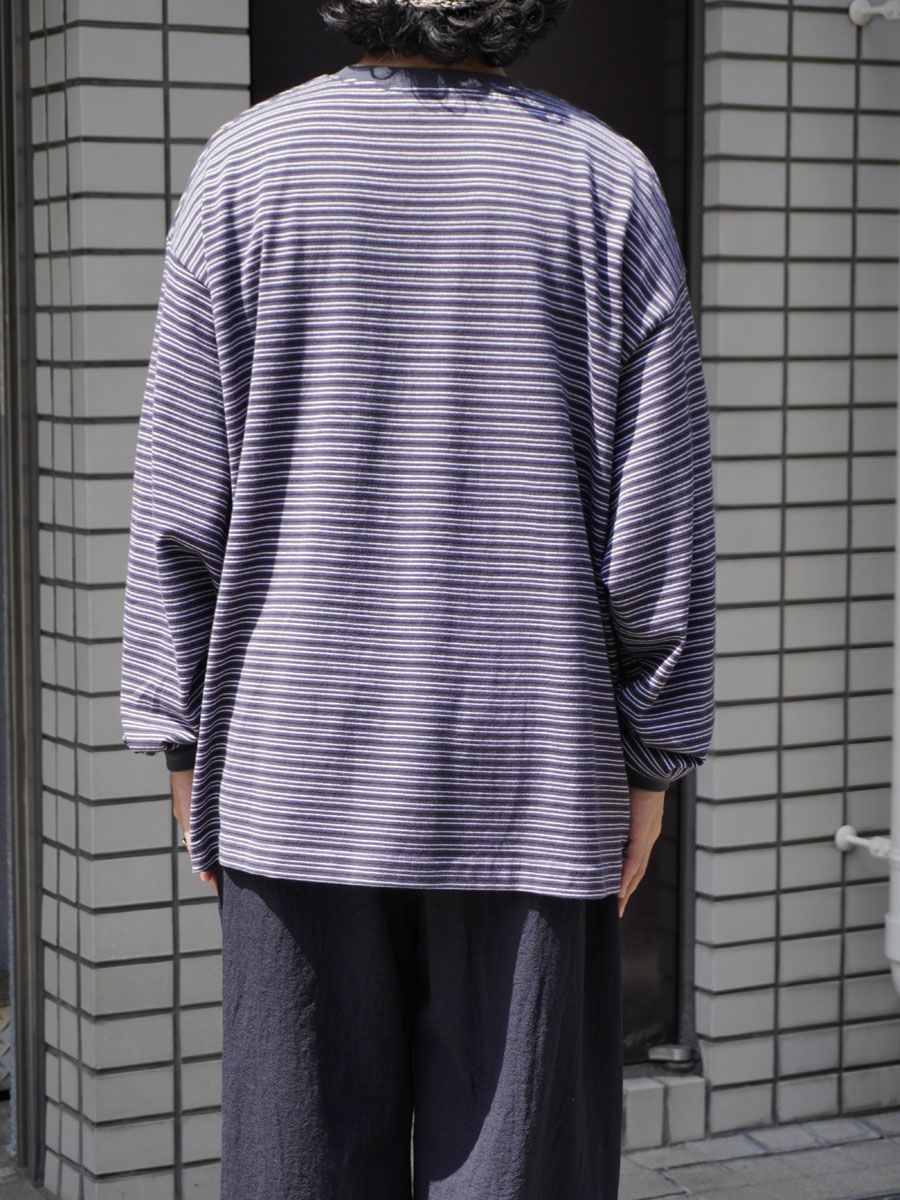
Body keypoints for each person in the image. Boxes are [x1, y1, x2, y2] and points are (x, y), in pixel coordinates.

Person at [120, 0, 716, 1196]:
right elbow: (659, 519)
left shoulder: (247, 169)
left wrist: (185, 742)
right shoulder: (602, 182)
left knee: (298, 1167)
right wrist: (652, 758)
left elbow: (181, 500)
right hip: (533, 777)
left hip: (294, 770)